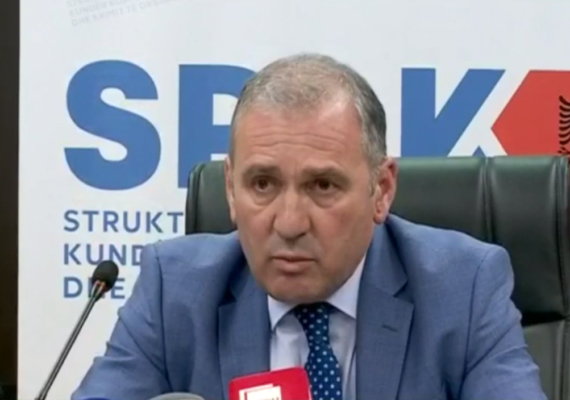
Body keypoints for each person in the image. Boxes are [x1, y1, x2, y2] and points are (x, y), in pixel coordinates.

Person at [72, 53, 547, 400]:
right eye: (262, 184)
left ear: (381, 189)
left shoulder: (463, 288)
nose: (290, 222)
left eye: (322, 185)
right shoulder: (173, 289)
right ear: (231, 190)